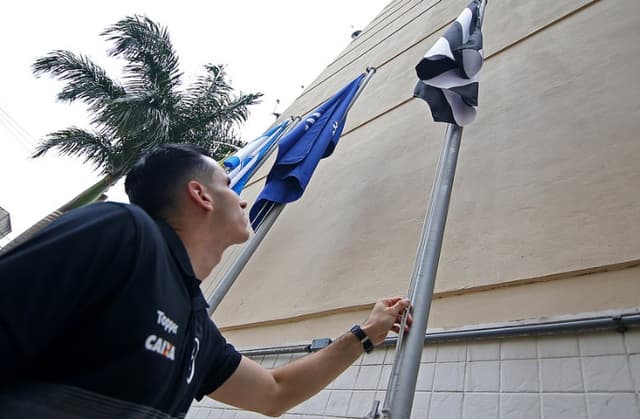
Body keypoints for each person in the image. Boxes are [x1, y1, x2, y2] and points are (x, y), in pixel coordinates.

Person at [0, 143, 412, 418]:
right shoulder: (119, 231)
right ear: (201, 195)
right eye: (231, 186)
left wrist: (366, 334)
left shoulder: (196, 325)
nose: (243, 198)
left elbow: (275, 392)